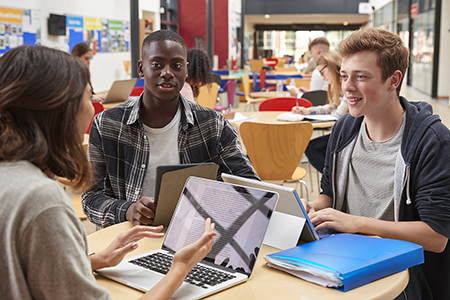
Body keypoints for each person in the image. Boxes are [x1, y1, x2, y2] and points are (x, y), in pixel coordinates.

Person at [0, 45, 217, 300]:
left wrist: (91, 260)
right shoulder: (40, 200)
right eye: (87, 98)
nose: (93, 109)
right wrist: (179, 269)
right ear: (62, 112)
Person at [302, 26, 450, 300]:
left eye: (361, 77)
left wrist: (357, 223)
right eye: (344, 76)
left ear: (393, 80)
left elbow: (436, 236)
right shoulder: (345, 128)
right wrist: (314, 209)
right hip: (341, 260)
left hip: (402, 276)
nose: (347, 86)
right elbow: (329, 195)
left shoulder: (432, 141)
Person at [82, 30, 259, 228]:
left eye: (176, 65)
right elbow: (91, 198)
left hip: (195, 237)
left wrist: (284, 204)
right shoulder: (106, 125)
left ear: (186, 70)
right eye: (157, 64)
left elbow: (248, 185)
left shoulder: (214, 125)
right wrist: (128, 210)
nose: (167, 72)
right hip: (127, 240)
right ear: (141, 68)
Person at [292, 50, 348, 173]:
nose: (322, 77)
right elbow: (332, 106)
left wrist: (323, 114)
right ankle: (334, 181)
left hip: (352, 133)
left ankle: (334, 182)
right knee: (315, 148)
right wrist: (308, 111)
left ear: (332, 65)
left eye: (323, 73)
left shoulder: (347, 83)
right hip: (345, 130)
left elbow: (338, 114)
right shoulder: (338, 85)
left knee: (312, 148)